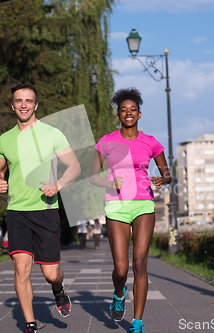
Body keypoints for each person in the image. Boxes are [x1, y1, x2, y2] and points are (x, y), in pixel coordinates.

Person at [0, 84, 81, 333]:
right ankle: (30, 323)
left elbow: (74, 166)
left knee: (51, 274)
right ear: (12, 105)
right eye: (18, 101)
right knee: (21, 268)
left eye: (28, 101)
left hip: (46, 210)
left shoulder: (52, 133)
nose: (23, 105)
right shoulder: (4, 140)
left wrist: (58, 184)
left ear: (36, 105)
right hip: (17, 211)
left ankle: (58, 289)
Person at [89, 87, 171, 333]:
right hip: (116, 205)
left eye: (132, 110)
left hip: (144, 203)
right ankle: (118, 292)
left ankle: (137, 322)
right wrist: (109, 183)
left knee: (140, 262)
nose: (128, 113)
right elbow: (93, 177)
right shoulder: (106, 141)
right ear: (118, 115)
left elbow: (167, 173)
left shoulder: (151, 142)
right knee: (121, 268)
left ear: (139, 114)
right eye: (123, 110)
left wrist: (162, 179)